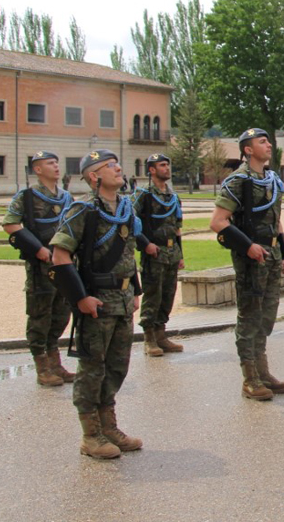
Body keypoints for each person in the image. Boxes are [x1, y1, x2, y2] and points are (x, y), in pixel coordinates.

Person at [48, 149, 143, 459]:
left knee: (117, 367)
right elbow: (59, 256)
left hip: (124, 301)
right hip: (97, 301)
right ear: (94, 176)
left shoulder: (125, 208)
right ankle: (91, 435)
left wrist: (136, 290)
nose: (118, 169)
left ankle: (109, 426)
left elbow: (129, 256)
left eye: (117, 164)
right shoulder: (83, 210)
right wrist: (79, 298)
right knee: (92, 369)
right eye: (110, 166)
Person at [210, 128, 284, 401]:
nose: (269, 145)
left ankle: (263, 371)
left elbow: (276, 220)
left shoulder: (270, 179)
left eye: (268, 140)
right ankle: (250, 378)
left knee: (267, 316)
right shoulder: (238, 181)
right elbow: (218, 221)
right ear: (247, 149)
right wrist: (248, 246)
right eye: (262, 141)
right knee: (249, 317)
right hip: (251, 257)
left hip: (271, 254)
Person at [3, 151, 75, 387]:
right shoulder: (26, 197)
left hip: (64, 264)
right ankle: (42, 367)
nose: (56, 166)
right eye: (50, 163)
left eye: (56, 162)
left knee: (61, 313)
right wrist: (38, 250)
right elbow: (11, 224)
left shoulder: (66, 197)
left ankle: (55, 362)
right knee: (40, 315)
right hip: (41, 266)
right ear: (37, 169)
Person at [131, 153, 185, 357]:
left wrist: (180, 254)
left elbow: (177, 227)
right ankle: (149, 338)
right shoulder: (143, 194)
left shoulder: (172, 196)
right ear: (151, 170)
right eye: (162, 165)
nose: (167, 168)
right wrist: (145, 244)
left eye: (167, 165)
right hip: (154, 252)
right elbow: (130, 219)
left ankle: (161, 334)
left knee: (168, 294)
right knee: (153, 295)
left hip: (171, 252)